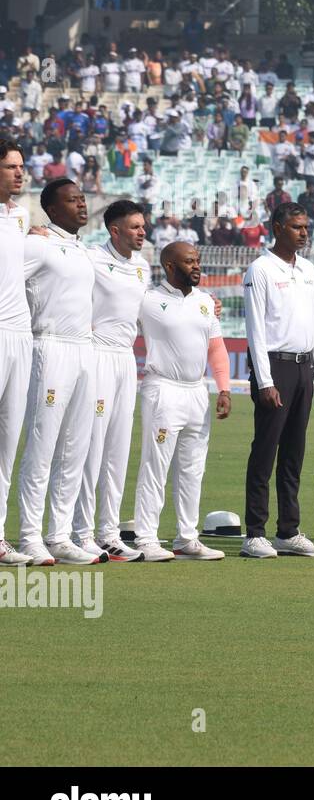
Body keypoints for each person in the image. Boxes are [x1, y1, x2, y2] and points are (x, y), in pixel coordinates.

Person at [126, 242, 231, 561]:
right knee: (155, 466)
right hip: (163, 389)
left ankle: (187, 537)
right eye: (189, 261)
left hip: (197, 391)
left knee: (192, 469)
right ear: (170, 266)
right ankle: (146, 537)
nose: (197, 266)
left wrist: (223, 389)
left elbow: (216, 347)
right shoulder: (147, 299)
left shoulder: (205, 303)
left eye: (198, 260)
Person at [16, 179, 102, 566]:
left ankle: (60, 535)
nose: (82, 205)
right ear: (51, 209)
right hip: (49, 346)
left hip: (85, 348)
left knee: (75, 448)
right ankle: (30, 536)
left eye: (83, 199)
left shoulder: (83, 249)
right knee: (43, 445)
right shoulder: (37, 244)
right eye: (72, 201)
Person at [241, 203, 314, 559]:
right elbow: (256, 330)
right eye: (296, 227)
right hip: (274, 367)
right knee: (265, 450)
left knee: (294, 452)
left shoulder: (309, 269)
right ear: (277, 228)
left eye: (306, 226)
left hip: (303, 369)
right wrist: (264, 382)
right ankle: (255, 533)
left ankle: (288, 530)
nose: (304, 233)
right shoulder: (260, 269)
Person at [68, 200, 152, 562]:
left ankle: (109, 533)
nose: (142, 232)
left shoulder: (143, 267)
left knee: (118, 449)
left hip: (125, 359)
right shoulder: (90, 258)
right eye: (134, 227)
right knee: (93, 447)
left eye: (142, 226)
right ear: (114, 230)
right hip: (97, 354)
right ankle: (82, 532)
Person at [0, 140, 34, 565]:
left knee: (9, 443)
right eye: (10, 166)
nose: (19, 173)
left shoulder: (22, 217)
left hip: (20, 335)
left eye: (21, 166)